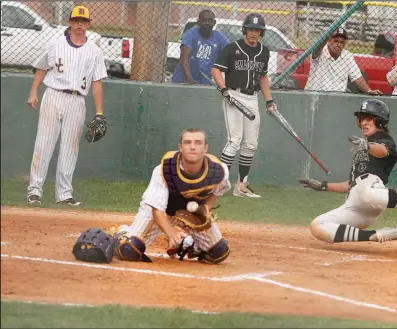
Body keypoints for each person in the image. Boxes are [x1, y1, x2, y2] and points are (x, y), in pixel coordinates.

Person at [299, 99, 397, 244]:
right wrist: (323, 186)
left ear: (380, 122)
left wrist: (367, 146)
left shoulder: (383, 140)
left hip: (372, 194)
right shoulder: (363, 147)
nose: (363, 123)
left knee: (364, 189)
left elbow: (382, 151)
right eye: (362, 119)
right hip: (357, 207)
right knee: (317, 225)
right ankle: (377, 235)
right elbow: (352, 184)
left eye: (369, 119)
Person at [108, 128, 232, 264]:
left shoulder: (218, 171)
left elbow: (218, 191)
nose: (192, 147)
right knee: (130, 248)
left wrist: (205, 209)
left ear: (205, 148)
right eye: (187, 142)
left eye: (198, 143)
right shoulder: (164, 170)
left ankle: (184, 242)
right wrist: (171, 233)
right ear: (180, 147)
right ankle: (120, 233)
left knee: (218, 252)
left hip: (191, 213)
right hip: (162, 212)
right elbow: (157, 211)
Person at [26, 5, 107, 206]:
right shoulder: (56, 43)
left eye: (83, 21)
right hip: (53, 95)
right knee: (43, 143)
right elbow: (41, 68)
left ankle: (64, 194)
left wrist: (99, 112)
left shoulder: (95, 51)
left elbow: (97, 82)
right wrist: (33, 92)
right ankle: (34, 190)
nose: (79, 24)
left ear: (89, 24)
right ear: (70, 22)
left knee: (70, 148)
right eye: (76, 21)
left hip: (77, 100)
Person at [211, 12, 277, 198]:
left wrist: (269, 99)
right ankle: (218, 183)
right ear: (244, 30)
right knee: (234, 141)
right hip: (233, 94)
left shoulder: (264, 51)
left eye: (257, 30)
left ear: (261, 32)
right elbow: (216, 70)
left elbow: (263, 77)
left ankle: (241, 186)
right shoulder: (232, 48)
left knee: (250, 144)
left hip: (252, 97)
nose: (253, 33)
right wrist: (224, 90)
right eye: (250, 29)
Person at [304, 27, 382, 95]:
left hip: (337, 99)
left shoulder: (347, 56)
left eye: (342, 42)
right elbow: (317, 49)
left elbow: (357, 77)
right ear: (328, 41)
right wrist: (325, 36)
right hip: (314, 96)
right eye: (336, 41)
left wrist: (369, 90)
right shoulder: (320, 52)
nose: (339, 44)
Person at [171, 10, 229, 85]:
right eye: (204, 20)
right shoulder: (190, 34)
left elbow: (230, 56)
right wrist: (188, 78)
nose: (207, 23)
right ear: (198, 22)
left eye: (210, 20)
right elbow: (183, 57)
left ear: (214, 23)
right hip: (183, 80)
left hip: (204, 81)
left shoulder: (220, 38)